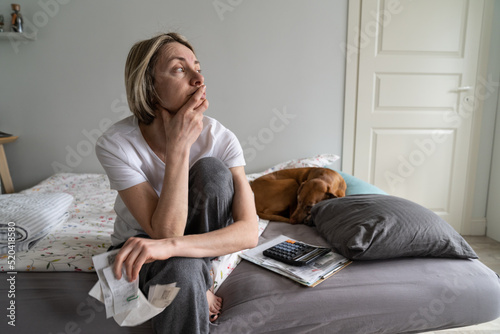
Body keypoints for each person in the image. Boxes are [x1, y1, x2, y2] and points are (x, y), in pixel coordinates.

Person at [95, 32, 259, 333]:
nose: (199, 78)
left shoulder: (221, 138)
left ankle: (199, 276)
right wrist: (179, 147)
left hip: (191, 244)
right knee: (182, 273)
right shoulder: (116, 144)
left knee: (213, 171)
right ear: (148, 85)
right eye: (180, 69)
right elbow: (162, 231)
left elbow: (249, 232)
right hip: (140, 246)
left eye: (198, 66)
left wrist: (172, 247)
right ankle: (196, 279)